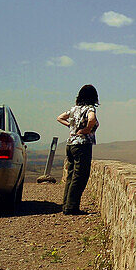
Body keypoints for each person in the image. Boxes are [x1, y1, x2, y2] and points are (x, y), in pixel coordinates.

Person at [56, 84, 99, 215]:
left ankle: (66, 205)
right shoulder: (89, 108)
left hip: (70, 144)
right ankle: (72, 207)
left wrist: (71, 127)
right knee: (80, 176)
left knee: (71, 175)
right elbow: (91, 119)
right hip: (82, 145)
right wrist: (86, 129)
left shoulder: (74, 109)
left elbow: (59, 117)